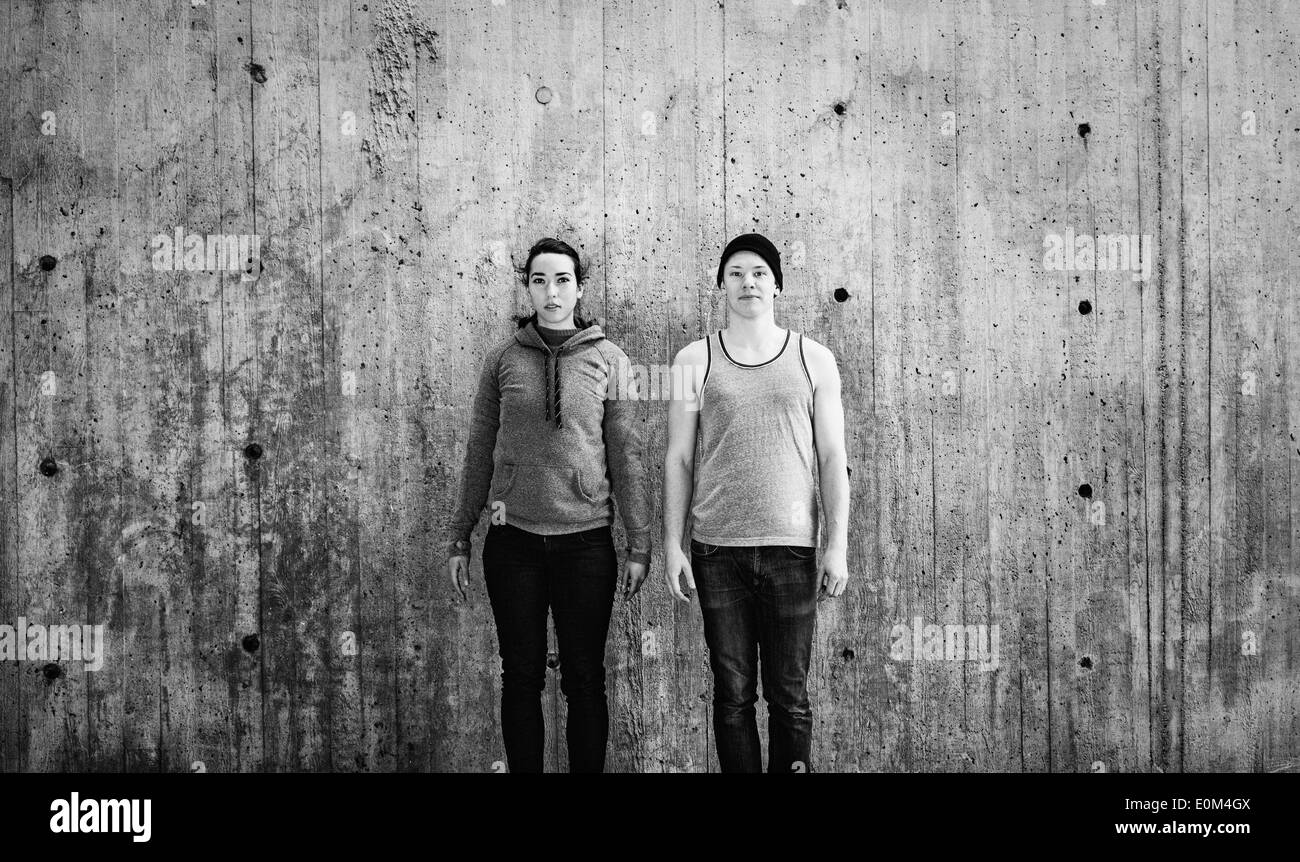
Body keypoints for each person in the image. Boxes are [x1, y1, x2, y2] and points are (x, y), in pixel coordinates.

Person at [446, 237, 651, 773]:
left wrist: (640, 542)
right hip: (512, 542)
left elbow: (627, 454)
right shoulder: (502, 360)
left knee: (584, 679)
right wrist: (459, 534)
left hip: (586, 542)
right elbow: (478, 448)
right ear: (528, 288)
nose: (552, 290)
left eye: (562, 280)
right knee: (521, 676)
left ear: (579, 288)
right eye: (540, 280)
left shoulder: (609, 359)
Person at [662, 232, 850, 773]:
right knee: (732, 698)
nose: (749, 281)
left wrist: (836, 546)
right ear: (722, 283)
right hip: (717, 551)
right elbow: (678, 458)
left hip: (792, 552)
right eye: (738, 272)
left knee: (790, 700)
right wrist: (672, 545)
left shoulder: (814, 358)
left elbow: (834, 457)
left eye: (760, 272)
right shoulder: (694, 359)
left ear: (778, 285)